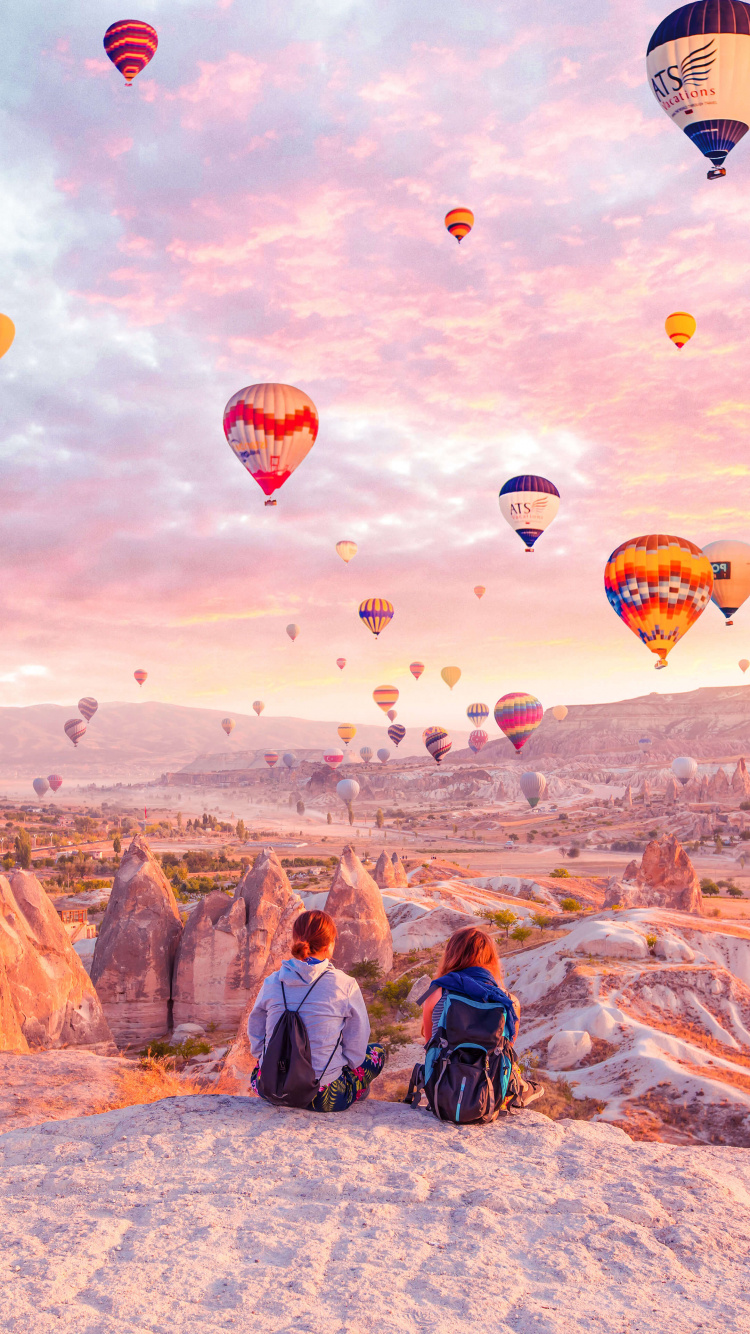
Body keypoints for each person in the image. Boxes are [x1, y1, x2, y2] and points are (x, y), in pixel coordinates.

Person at [248, 908, 386, 1112]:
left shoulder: (272, 982)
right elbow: (356, 1048)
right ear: (330, 945)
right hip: (323, 1096)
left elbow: (256, 1036)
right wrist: (337, 1064)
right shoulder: (345, 985)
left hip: (272, 1087)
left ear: (295, 940)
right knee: (378, 1052)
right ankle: (354, 1089)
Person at [419, 925, 543, 1108]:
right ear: (491, 958)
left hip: (443, 1089)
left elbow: (430, 1045)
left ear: (451, 955)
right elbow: (507, 1050)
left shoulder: (434, 992)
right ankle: (517, 1090)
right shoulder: (509, 1001)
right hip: (489, 1094)